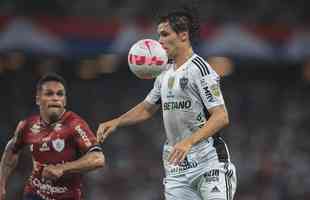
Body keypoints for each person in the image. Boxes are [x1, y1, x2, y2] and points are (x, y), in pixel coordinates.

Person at [97, 7, 237, 200]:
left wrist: (188, 141)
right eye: (158, 35)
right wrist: (116, 121)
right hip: (177, 165)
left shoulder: (200, 69)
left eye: (164, 34)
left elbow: (221, 116)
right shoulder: (164, 71)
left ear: (183, 36)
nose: (159, 41)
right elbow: (147, 108)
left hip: (209, 162)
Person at [0, 73, 105, 200]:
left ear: (65, 100)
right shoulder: (27, 125)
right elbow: (11, 151)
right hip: (34, 195)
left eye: (60, 94)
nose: (55, 98)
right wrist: (1, 183)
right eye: (49, 94)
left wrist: (63, 168)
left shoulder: (75, 124)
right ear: (38, 99)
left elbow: (98, 158)